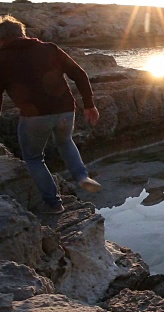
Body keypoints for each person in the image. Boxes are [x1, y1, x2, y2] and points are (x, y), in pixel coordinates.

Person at [0, 15, 102, 214]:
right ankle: (81, 176)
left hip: (33, 117)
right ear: (23, 33)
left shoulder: (2, 59)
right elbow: (79, 74)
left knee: (34, 158)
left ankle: (54, 203)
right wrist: (89, 105)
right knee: (65, 141)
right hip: (65, 109)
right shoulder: (50, 48)